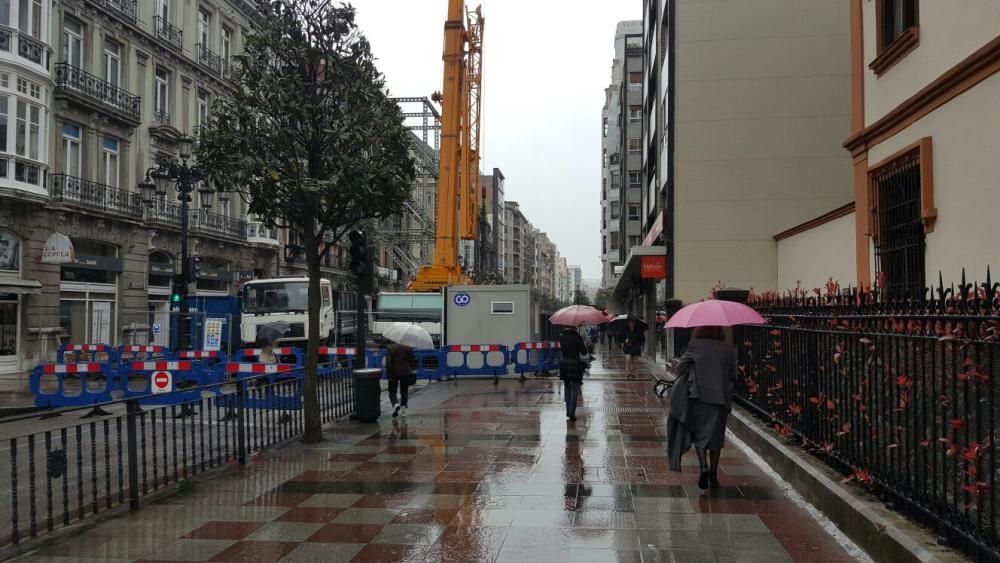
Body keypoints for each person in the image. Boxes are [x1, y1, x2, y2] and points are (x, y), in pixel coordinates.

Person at [666, 325, 737, 490]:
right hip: (720, 398)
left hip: (698, 396)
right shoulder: (727, 349)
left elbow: (680, 366)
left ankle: (703, 465)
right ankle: (713, 473)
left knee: (699, 434)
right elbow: (733, 375)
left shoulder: (695, 345)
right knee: (716, 438)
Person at [558, 325, 588, 421]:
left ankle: (567, 411)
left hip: (565, 364)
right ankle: (572, 412)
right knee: (575, 388)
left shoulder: (562, 337)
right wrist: (581, 341)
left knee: (567, 387)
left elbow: (562, 350)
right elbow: (584, 352)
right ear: (574, 327)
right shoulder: (577, 337)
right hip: (575, 364)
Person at [386, 342, 416, 418]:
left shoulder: (390, 348)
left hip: (394, 372)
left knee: (392, 390)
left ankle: (395, 404)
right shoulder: (407, 347)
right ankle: (403, 410)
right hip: (406, 372)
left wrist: (389, 374)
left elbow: (388, 362)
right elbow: (413, 359)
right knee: (404, 391)